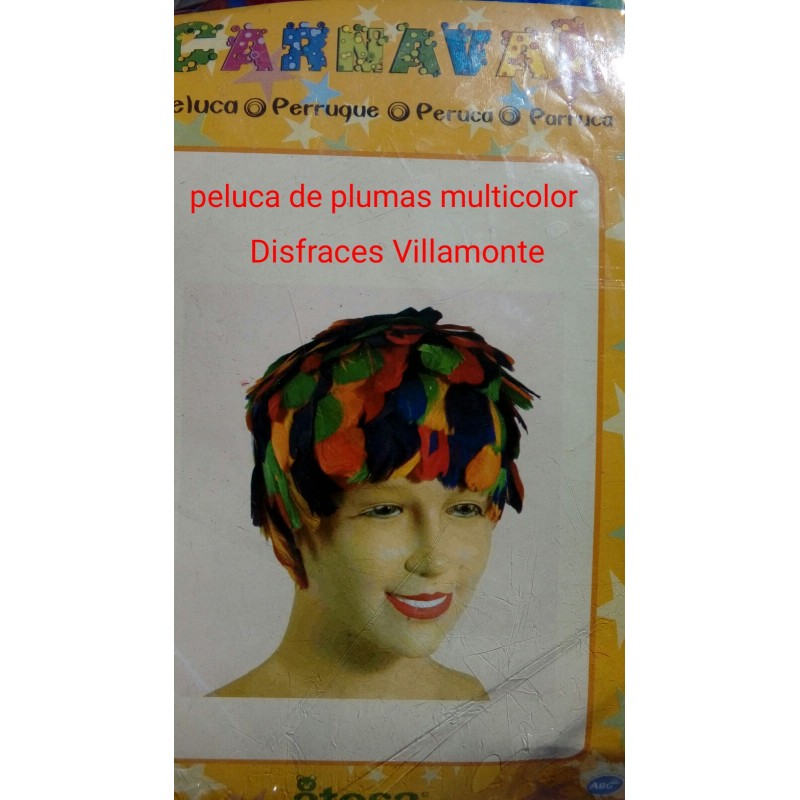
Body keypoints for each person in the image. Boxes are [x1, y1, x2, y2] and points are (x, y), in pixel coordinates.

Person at [213, 307, 536, 700]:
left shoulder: (475, 703)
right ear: (290, 516)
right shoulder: (210, 725)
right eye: (385, 511)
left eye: (465, 509)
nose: (433, 560)